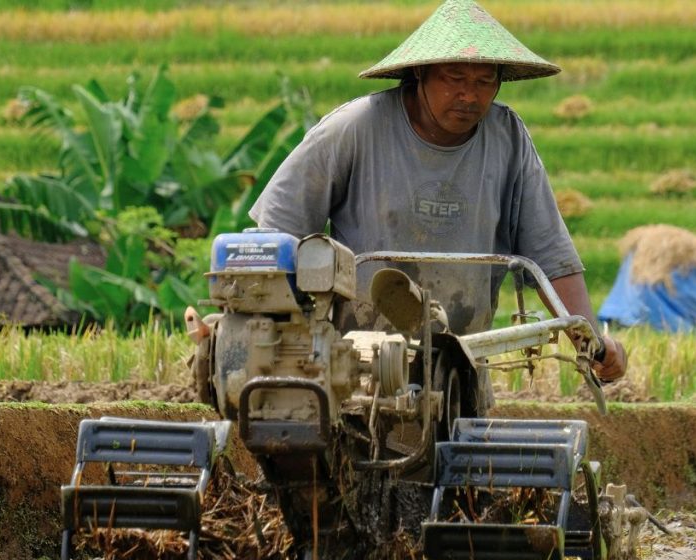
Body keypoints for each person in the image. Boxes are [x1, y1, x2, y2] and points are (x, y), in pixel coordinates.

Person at [249, 0, 627, 407]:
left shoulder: (507, 139)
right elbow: (275, 236)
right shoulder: (353, 129)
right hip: (357, 366)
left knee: (461, 461)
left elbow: (550, 256)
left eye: (485, 81)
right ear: (420, 73)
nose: (469, 95)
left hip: (461, 364)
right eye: (455, 77)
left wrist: (591, 341)